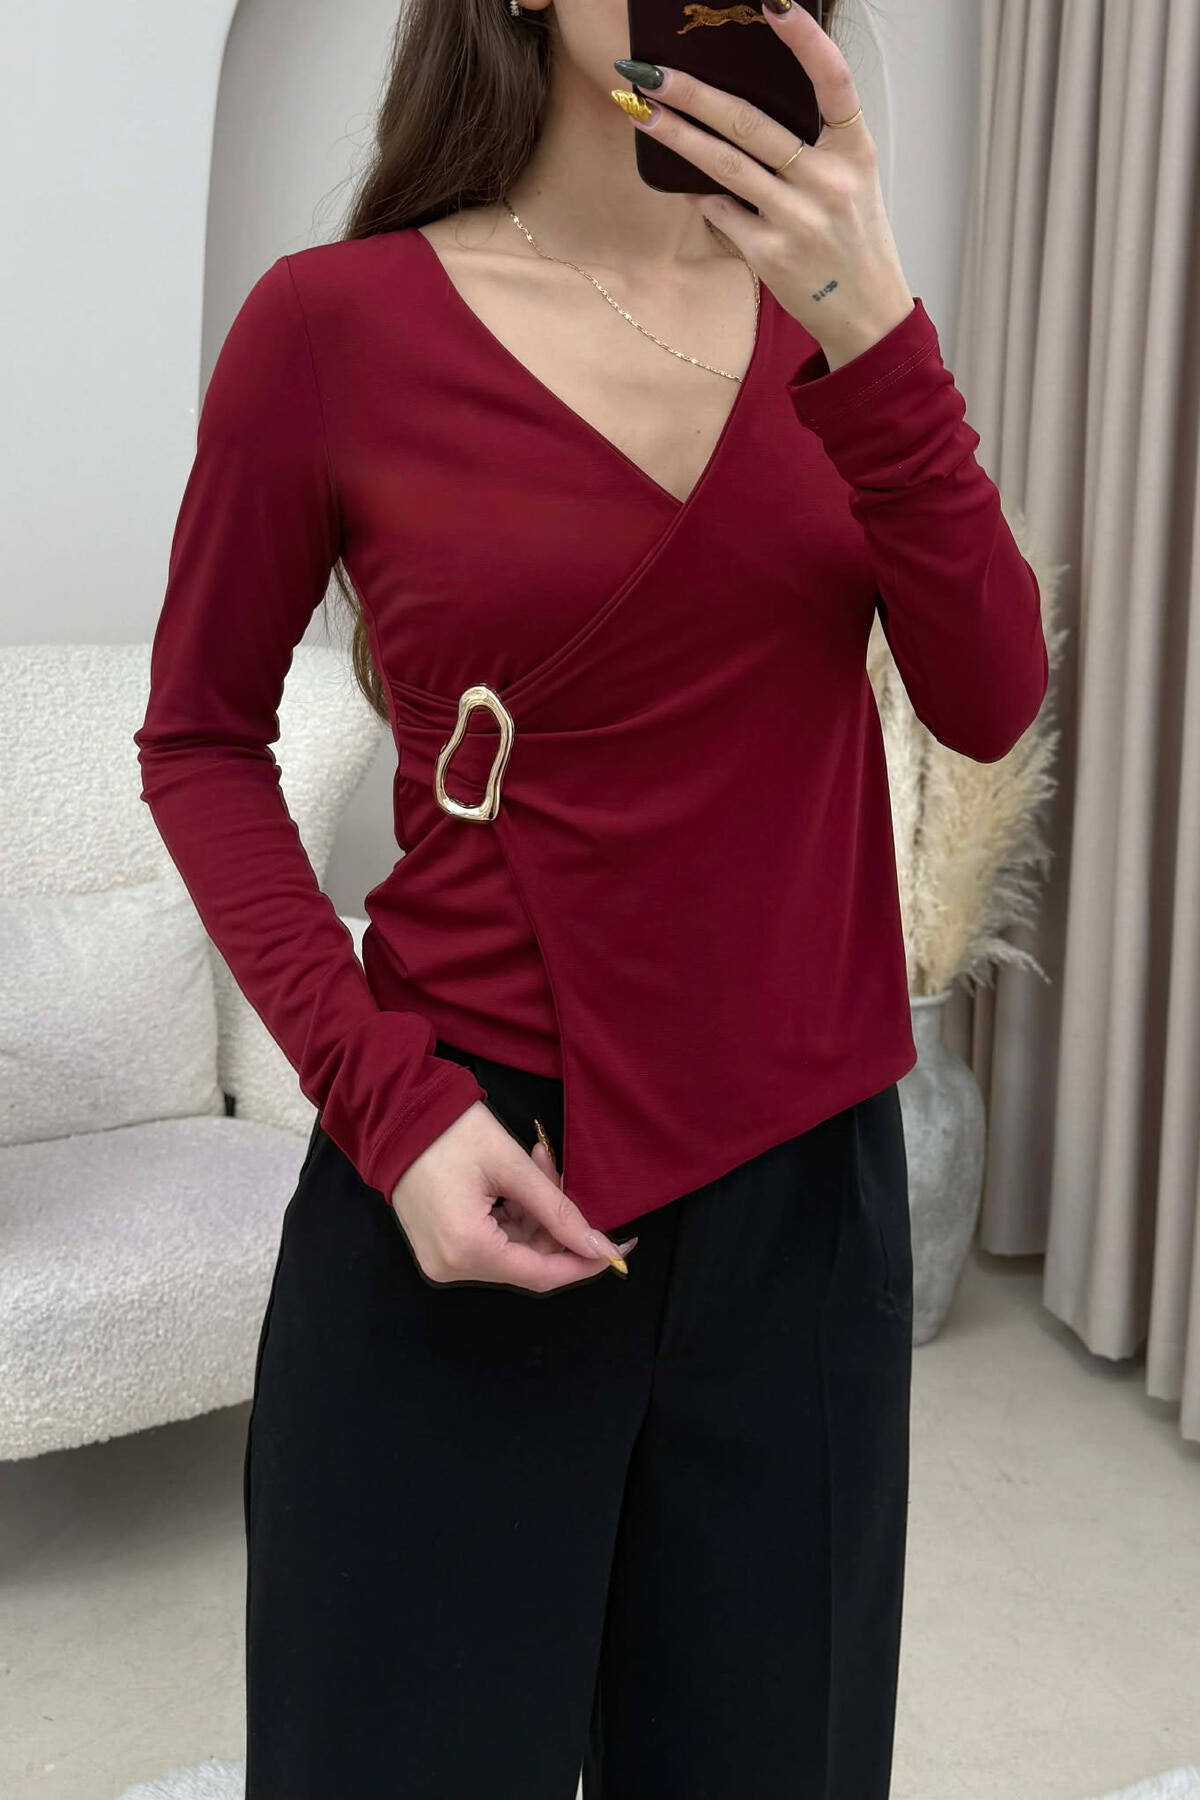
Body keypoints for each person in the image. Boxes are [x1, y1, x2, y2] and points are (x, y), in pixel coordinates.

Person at [133, 0, 1049, 1793]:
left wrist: (875, 329)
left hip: (804, 1199)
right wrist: (387, 1109)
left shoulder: (835, 325)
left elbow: (990, 695)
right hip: (465, 1172)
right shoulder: (332, 328)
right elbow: (199, 741)